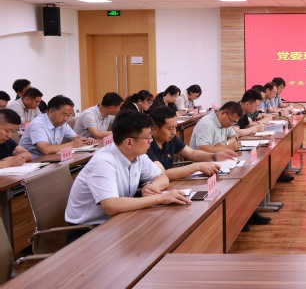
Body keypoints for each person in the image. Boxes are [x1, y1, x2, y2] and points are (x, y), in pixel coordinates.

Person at [64, 110, 190, 242]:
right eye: (147, 137)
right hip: (88, 232)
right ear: (129, 142)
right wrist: (160, 198)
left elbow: (162, 177)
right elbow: (111, 206)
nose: (151, 141)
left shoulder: (139, 155)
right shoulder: (103, 162)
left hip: (118, 220)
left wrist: (151, 186)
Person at [146, 107, 238, 179]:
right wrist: (197, 167)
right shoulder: (146, 145)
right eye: (170, 128)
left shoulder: (170, 139)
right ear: (154, 129)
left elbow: (192, 153)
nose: (174, 132)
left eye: (175, 127)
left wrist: (215, 156)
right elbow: (163, 174)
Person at [19, 95, 95, 158]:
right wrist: (72, 145)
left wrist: (86, 140)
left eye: (69, 115)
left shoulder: (62, 123)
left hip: (50, 159)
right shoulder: (38, 124)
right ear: (51, 111)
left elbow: (76, 137)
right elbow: (45, 149)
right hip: (33, 163)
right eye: (64, 115)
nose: (66, 118)